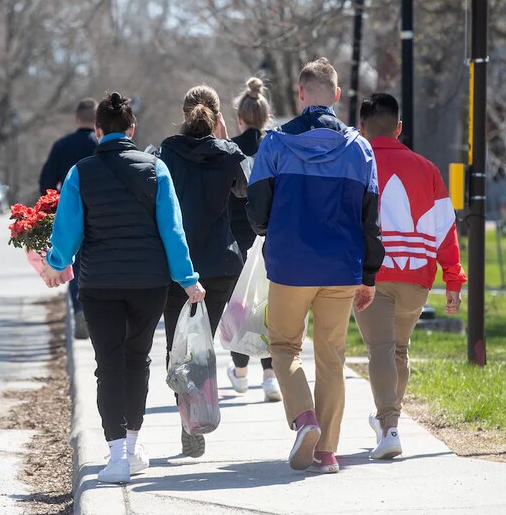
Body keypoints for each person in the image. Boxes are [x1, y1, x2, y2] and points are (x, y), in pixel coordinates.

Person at [41, 92, 206, 484]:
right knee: (138, 360)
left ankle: (115, 454)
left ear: (97, 132)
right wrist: (188, 279)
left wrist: (55, 266)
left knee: (108, 364)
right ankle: (133, 448)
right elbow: (172, 231)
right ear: (132, 130)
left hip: (99, 284)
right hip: (148, 283)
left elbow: (68, 232)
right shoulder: (157, 169)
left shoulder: (80, 172)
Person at [247, 57, 385, 474]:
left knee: (284, 346)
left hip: (289, 265)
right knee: (332, 357)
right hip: (341, 268)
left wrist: (278, 230)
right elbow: (370, 219)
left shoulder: (273, 144)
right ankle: (327, 452)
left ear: (300, 94)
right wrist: (370, 275)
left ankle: (303, 417)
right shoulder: (359, 148)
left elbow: (256, 212)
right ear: (338, 96)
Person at [355, 93, 466, 459]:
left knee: (381, 350)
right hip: (418, 277)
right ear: (399, 127)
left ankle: (389, 427)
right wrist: (453, 280)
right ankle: (388, 420)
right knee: (398, 349)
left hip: (372, 274)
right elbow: (445, 230)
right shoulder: (428, 169)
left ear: (361, 127)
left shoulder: (357, 164)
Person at [159, 84, 249, 457]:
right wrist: (228, 142)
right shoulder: (228, 154)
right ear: (216, 118)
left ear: (184, 114)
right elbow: (246, 191)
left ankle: (189, 421)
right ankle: (194, 420)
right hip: (219, 265)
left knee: (176, 346)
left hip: (177, 266)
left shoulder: (166, 151)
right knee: (202, 343)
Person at [226, 77, 280, 402]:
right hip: (272, 235)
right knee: (269, 306)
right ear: (267, 116)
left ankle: (241, 373)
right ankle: (270, 376)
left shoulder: (230, 150)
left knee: (239, 307)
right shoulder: (277, 146)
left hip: (237, 236)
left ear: (239, 117)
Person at [38, 99, 99, 340]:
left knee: (74, 263)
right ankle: (94, 313)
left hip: (71, 211)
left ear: (76, 119)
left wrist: (54, 207)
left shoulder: (62, 146)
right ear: (97, 121)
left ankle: (80, 309)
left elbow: (46, 182)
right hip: (102, 212)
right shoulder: (100, 144)